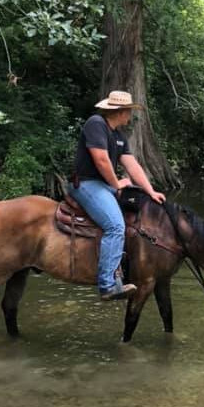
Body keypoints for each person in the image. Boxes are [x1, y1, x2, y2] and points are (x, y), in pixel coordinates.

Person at [68, 90, 166, 300]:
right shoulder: (96, 124)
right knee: (115, 226)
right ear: (120, 112)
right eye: (128, 111)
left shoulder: (119, 136)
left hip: (103, 186)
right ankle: (107, 284)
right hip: (86, 184)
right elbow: (101, 160)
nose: (130, 115)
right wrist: (116, 185)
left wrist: (150, 191)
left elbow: (132, 166)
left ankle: (126, 268)